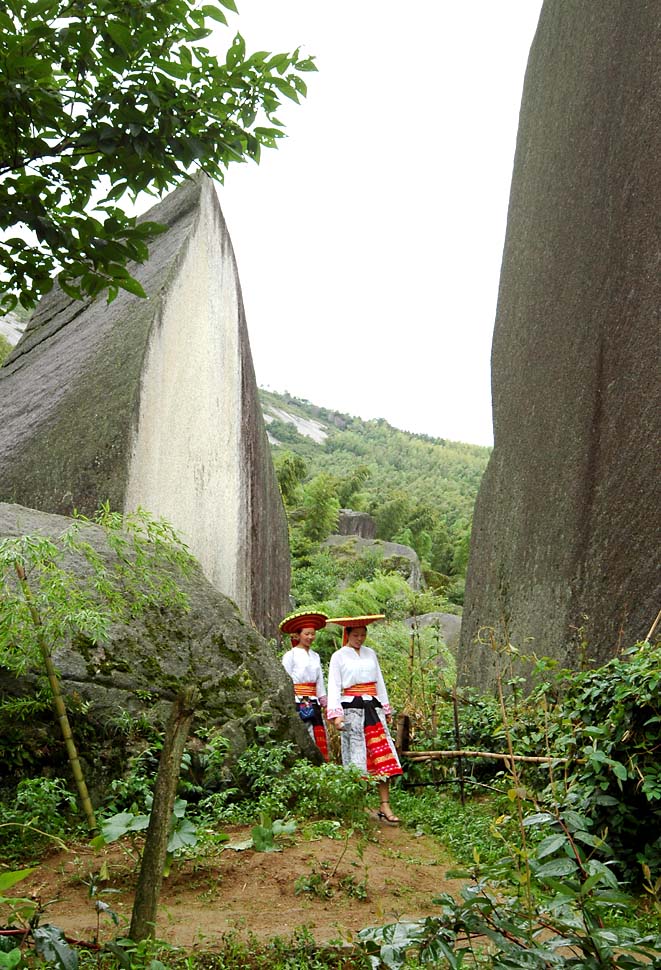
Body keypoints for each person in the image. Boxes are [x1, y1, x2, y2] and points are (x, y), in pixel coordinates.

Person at [326, 614, 402, 823]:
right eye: (356, 635)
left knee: (381, 756)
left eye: (363, 634)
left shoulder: (371, 654)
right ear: (347, 634)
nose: (360, 638)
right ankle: (356, 806)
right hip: (352, 709)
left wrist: (386, 708)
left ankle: (385, 805)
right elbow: (333, 685)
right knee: (357, 757)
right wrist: (337, 716)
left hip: (373, 709)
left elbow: (379, 682)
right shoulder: (338, 657)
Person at [279, 609, 330, 761]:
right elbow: (285, 680)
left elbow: (320, 680)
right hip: (296, 701)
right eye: (306, 634)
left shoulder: (315, 656)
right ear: (298, 634)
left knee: (317, 734)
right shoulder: (290, 655)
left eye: (312, 634)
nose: (310, 637)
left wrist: (325, 703)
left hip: (313, 701)